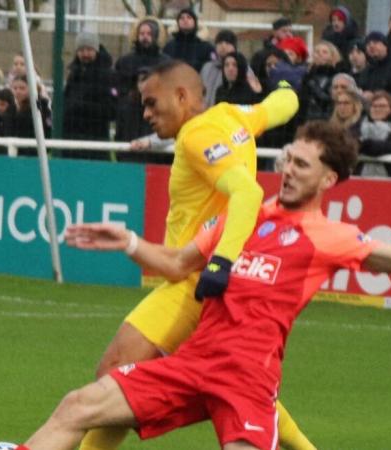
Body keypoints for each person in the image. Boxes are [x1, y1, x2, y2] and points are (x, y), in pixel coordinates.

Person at [12, 120, 391, 450]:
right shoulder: (247, 212)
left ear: (329, 179)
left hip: (249, 382)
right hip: (193, 363)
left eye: (301, 163)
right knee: (77, 405)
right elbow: (179, 263)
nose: (287, 166)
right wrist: (129, 240)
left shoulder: (331, 237)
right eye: (288, 157)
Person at [73, 60, 313, 450]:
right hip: (224, 285)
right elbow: (281, 105)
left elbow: (248, 193)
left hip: (193, 281)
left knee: (113, 379)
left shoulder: (196, 135)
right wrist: (287, 83)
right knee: (240, 386)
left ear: (182, 96)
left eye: (152, 103)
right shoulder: (235, 116)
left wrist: (221, 261)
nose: (146, 114)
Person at [113, 16, 169, 143]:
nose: (145, 37)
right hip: (130, 118)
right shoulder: (125, 61)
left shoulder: (166, 63)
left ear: (156, 36)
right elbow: (118, 89)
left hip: (156, 116)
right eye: (142, 33)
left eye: (149, 34)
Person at [61, 31, 114, 158]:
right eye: (81, 50)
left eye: (89, 49)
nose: (85, 54)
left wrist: (80, 107)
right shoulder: (73, 73)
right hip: (70, 139)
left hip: (95, 140)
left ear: (96, 50)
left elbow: (111, 110)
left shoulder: (106, 75)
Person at [162, 8, 214, 72]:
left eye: (189, 17)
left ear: (195, 22)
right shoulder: (169, 46)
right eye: (182, 18)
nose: (185, 20)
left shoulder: (206, 47)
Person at [299, 40, 340, 121]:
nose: (320, 54)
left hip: (324, 120)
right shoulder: (307, 74)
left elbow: (329, 100)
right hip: (305, 119)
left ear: (332, 56)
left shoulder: (336, 76)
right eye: (317, 51)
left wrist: (313, 85)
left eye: (325, 52)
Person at [11, 75, 52, 153]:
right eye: (15, 88)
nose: (18, 91)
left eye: (22, 88)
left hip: (34, 151)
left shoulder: (41, 106)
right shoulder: (12, 108)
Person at [251, 17, 293, 89]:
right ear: (274, 32)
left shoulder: (296, 52)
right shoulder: (261, 55)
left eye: (290, 31)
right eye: (284, 31)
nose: (289, 34)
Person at [357, 31, 391, 101]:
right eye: (368, 44)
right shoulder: (367, 70)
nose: (371, 46)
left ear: (385, 46)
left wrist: (374, 96)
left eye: (375, 42)